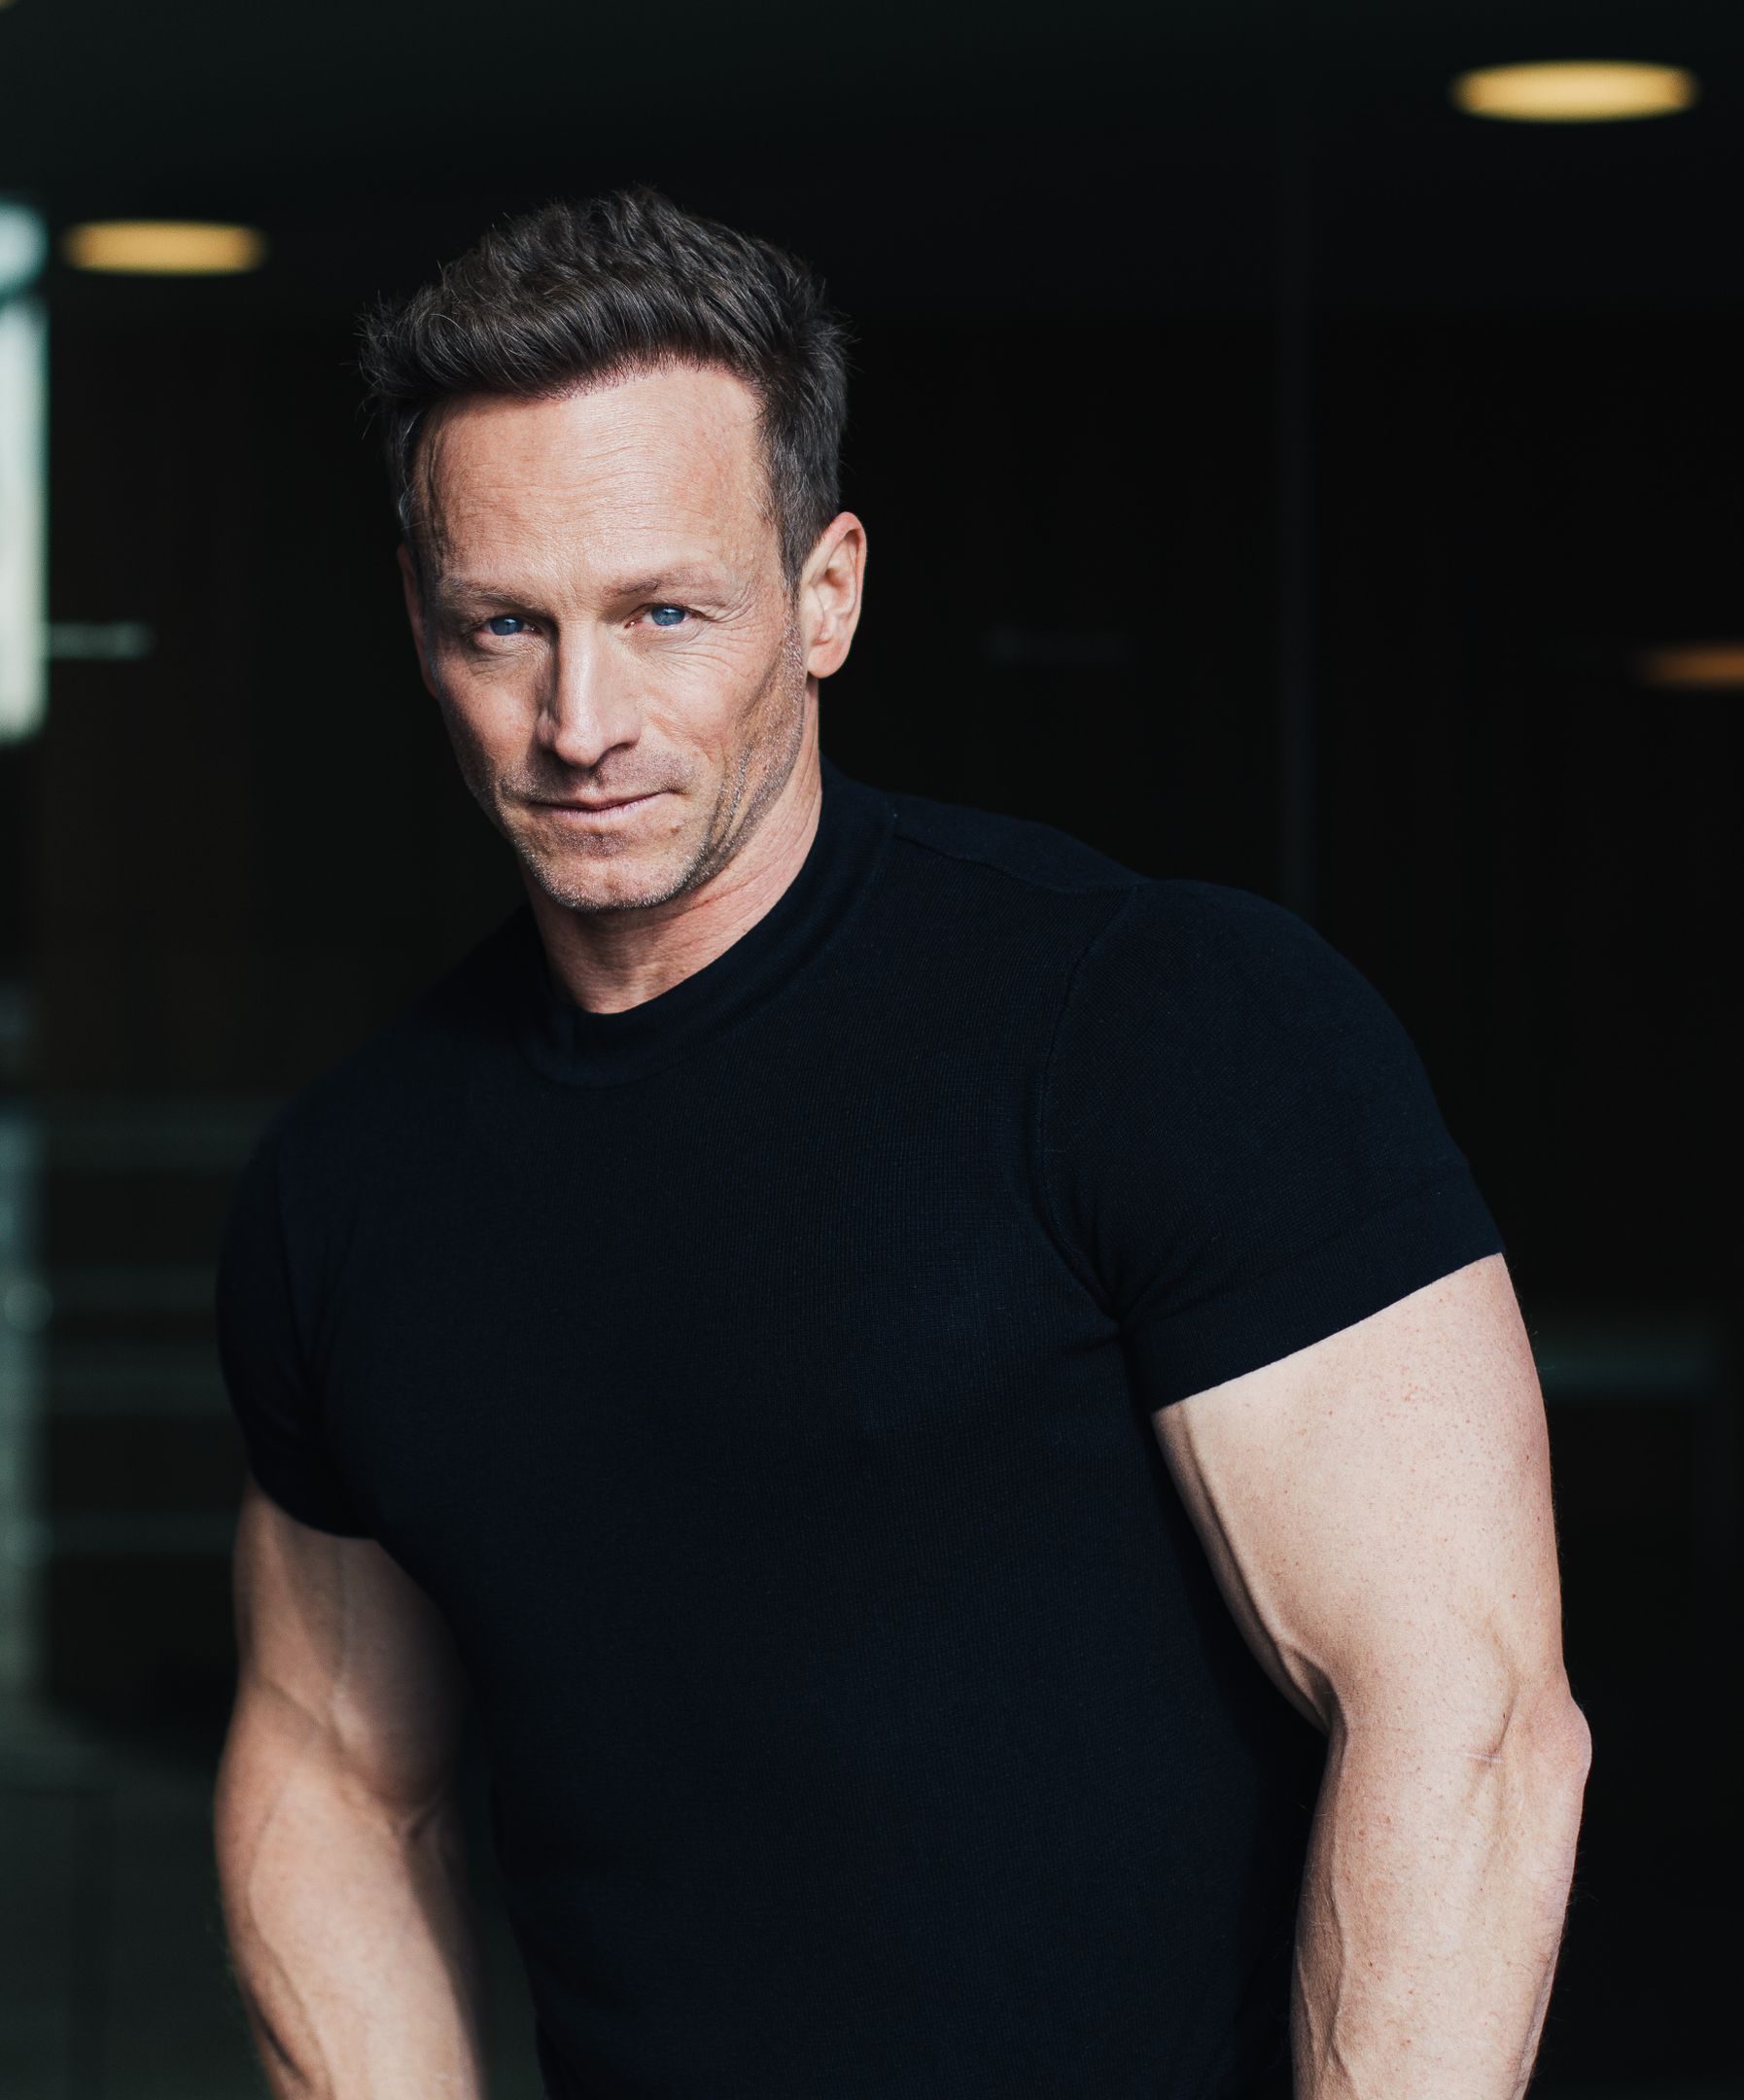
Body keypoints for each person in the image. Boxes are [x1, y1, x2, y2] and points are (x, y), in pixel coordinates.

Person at [210, 186, 1590, 2100]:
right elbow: (337, 1776)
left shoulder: (1165, 1026)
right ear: (418, 622)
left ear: (826, 593)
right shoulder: (352, 1191)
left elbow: (1468, 1714)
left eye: (664, 613)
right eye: (504, 627)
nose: (579, 722)